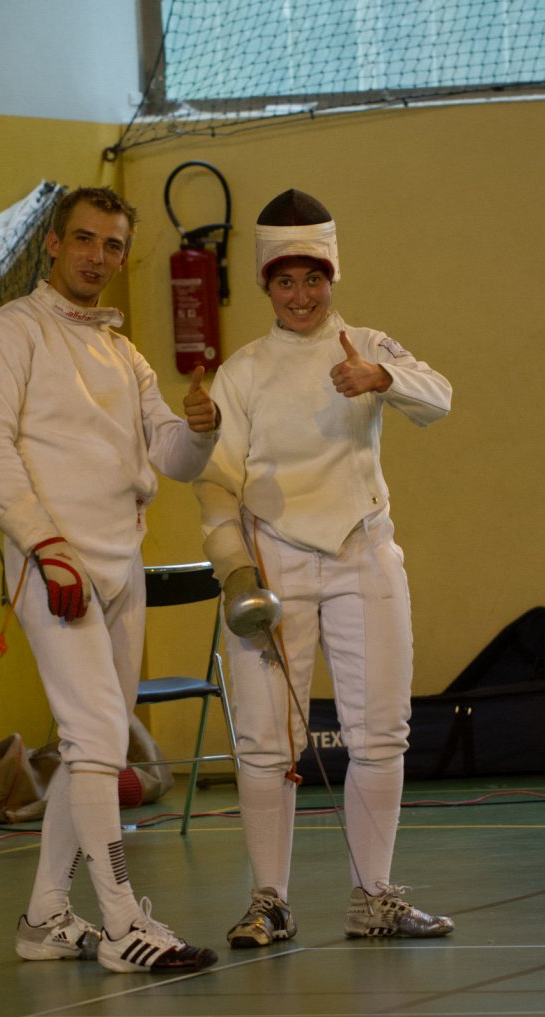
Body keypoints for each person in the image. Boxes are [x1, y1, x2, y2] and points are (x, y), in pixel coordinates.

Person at [0, 186, 219, 973]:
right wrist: (45, 544)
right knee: (99, 734)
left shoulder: (122, 352)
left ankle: (45, 916)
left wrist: (201, 429)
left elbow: (169, 454)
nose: (96, 257)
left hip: (120, 561)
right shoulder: (7, 335)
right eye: (83, 239)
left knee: (90, 744)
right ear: (53, 243)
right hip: (53, 563)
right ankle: (121, 922)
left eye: (111, 245)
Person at [193, 188, 455, 948]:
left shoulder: (366, 346)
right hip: (272, 564)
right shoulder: (241, 372)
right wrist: (234, 568)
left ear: (331, 277)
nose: (301, 296)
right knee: (264, 743)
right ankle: (268, 900)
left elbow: (440, 397)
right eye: (285, 281)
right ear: (267, 284)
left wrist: (383, 380)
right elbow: (215, 484)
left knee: (380, 733)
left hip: (363, 554)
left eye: (313, 279)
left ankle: (374, 898)